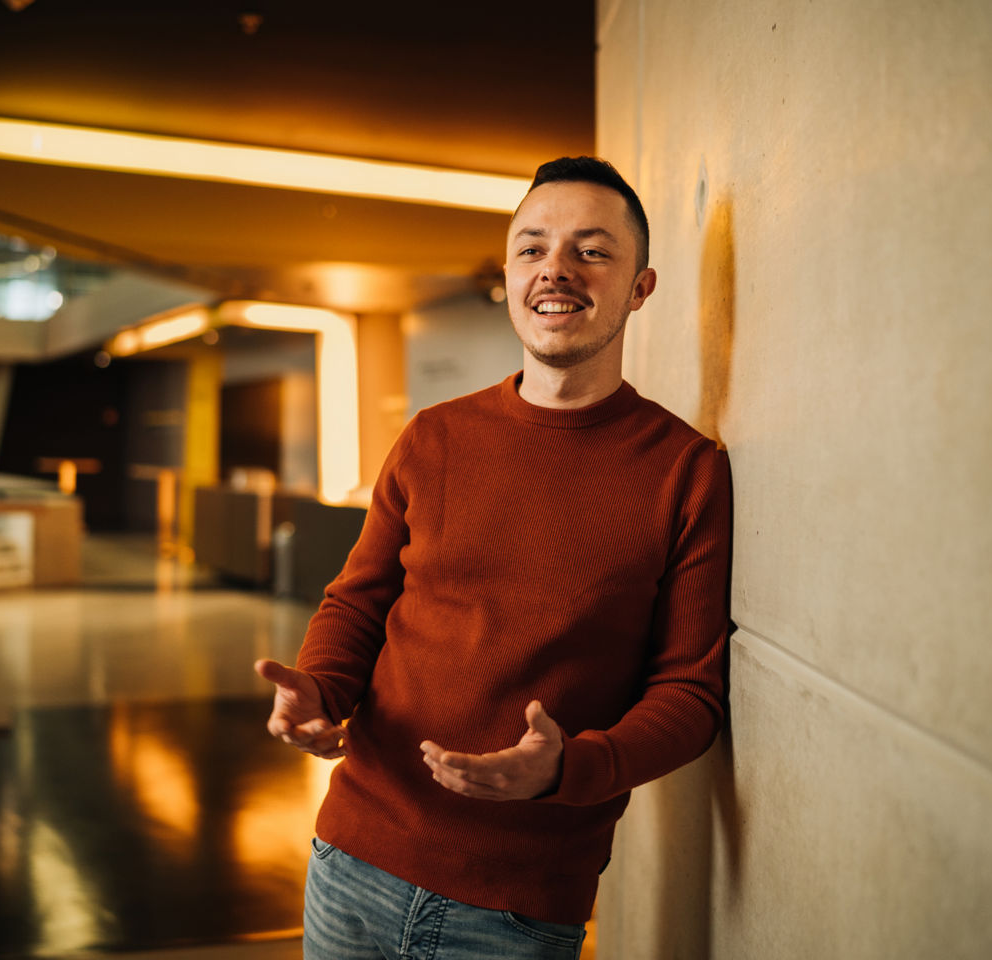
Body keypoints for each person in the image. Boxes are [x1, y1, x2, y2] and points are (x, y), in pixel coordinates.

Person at [255, 156, 733, 960]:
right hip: (350, 862)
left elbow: (690, 693)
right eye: (532, 248)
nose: (556, 269)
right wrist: (321, 689)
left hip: (517, 908)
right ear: (509, 275)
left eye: (592, 251)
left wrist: (569, 768)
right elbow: (358, 602)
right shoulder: (434, 436)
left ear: (640, 288)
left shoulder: (685, 470)